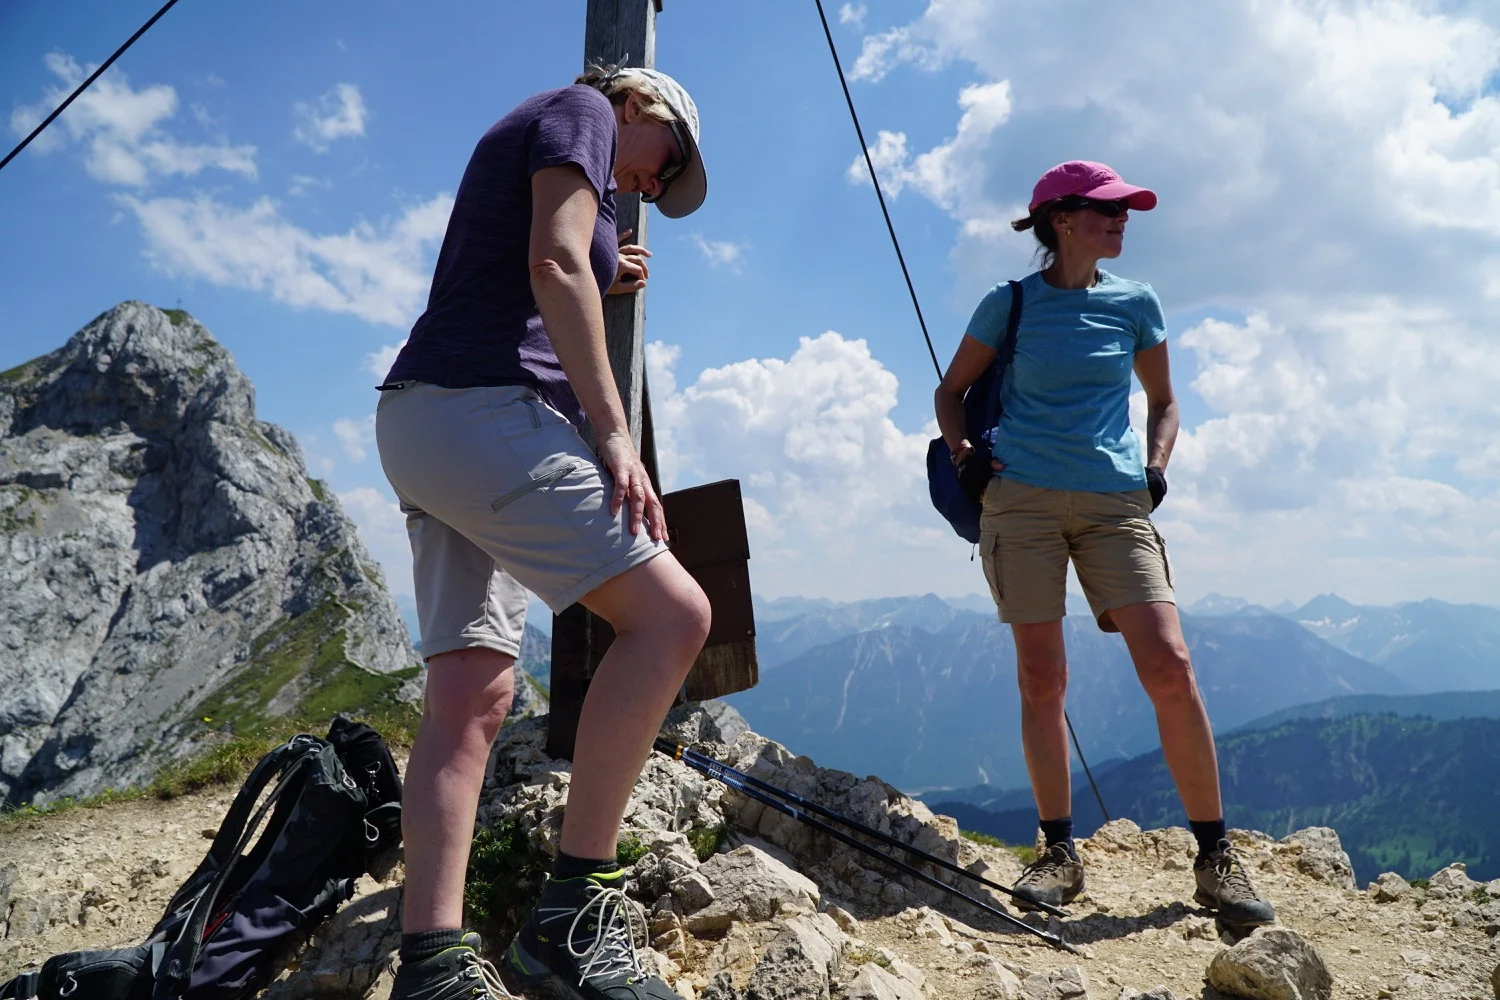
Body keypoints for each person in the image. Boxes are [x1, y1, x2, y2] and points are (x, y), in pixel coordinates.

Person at [374, 65, 712, 1000]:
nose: (650, 184)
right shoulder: (583, 111)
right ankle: (570, 915)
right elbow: (551, 261)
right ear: (639, 104)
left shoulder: (557, 148)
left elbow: (561, 257)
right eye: (664, 163)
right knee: (674, 616)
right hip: (488, 412)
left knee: (471, 699)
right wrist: (613, 432)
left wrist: (607, 263)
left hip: (422, 420)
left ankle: (432, 965)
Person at [933, 161, 1275, 930]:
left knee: (1170, 663)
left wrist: (1155, 470)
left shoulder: (1137, 303)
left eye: (1126, 212)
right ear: (1060, 218)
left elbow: (1165, 401)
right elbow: (949, 392)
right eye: (1107, 210)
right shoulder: (1010, 302)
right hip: (1018, 502)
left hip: (1115, 502)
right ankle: (1058, 852)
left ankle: (1215, 854)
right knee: (1041, 677)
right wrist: (966, 458)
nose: (1122, 221)